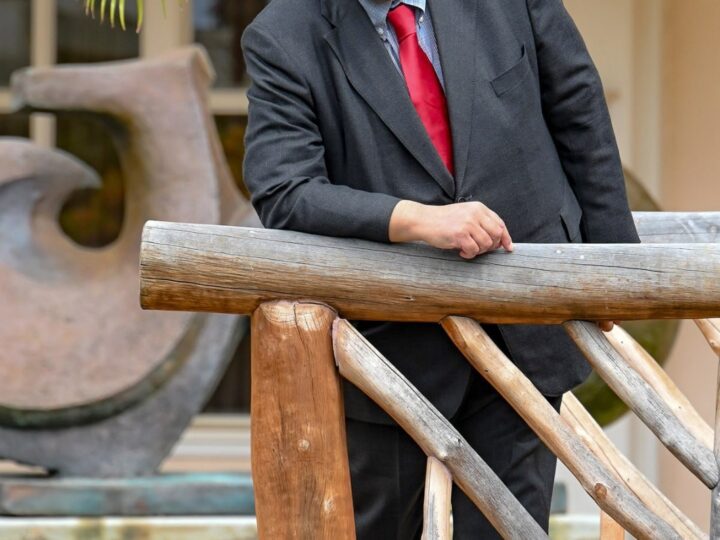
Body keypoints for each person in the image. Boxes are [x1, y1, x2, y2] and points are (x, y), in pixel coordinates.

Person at [241, 0, 639, 537]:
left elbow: (578, 109)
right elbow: (285, 190)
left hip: (525, 327)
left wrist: (616, 270)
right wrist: (417, 221)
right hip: (387, 350)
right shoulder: (282, 34)